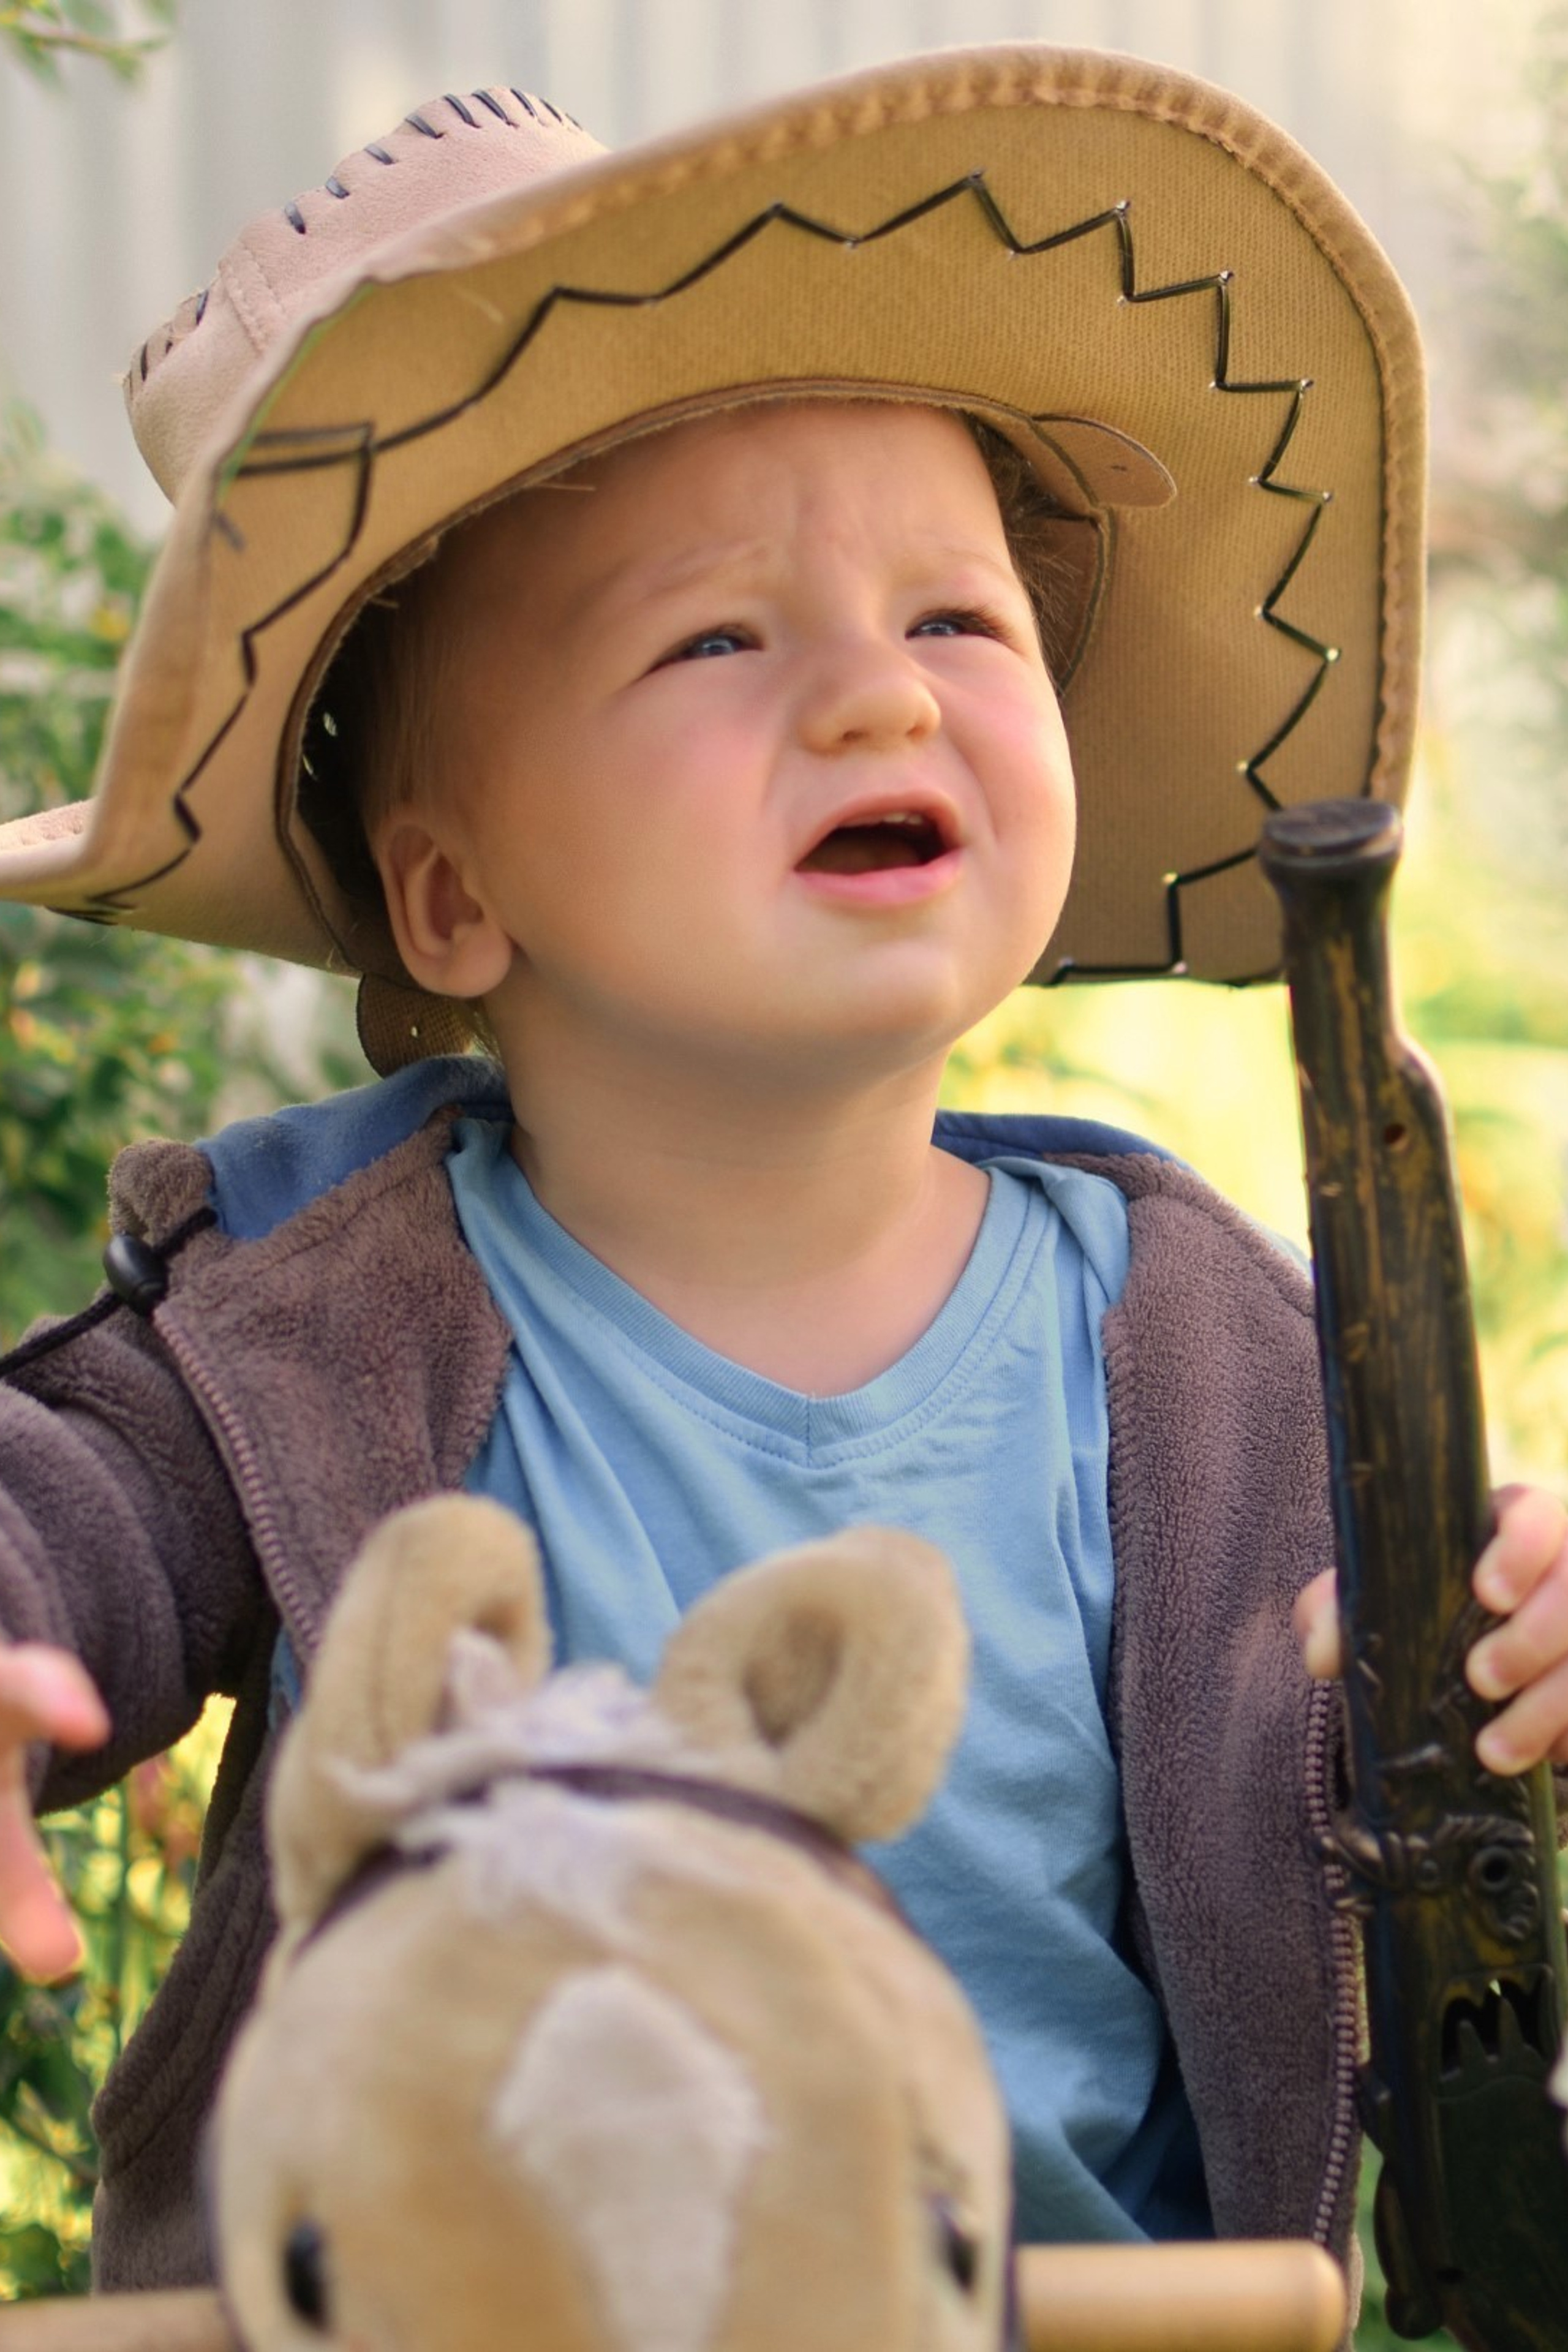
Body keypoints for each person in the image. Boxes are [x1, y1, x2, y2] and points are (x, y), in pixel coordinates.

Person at [0, 45, 1562, 2307]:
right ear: (449, 899)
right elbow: (77, 1500)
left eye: (956, 620)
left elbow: (1390, 1774)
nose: (880, 701)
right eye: (719, 637)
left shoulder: (1195, 1351)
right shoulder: (313, 1315)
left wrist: (1514, 1668)